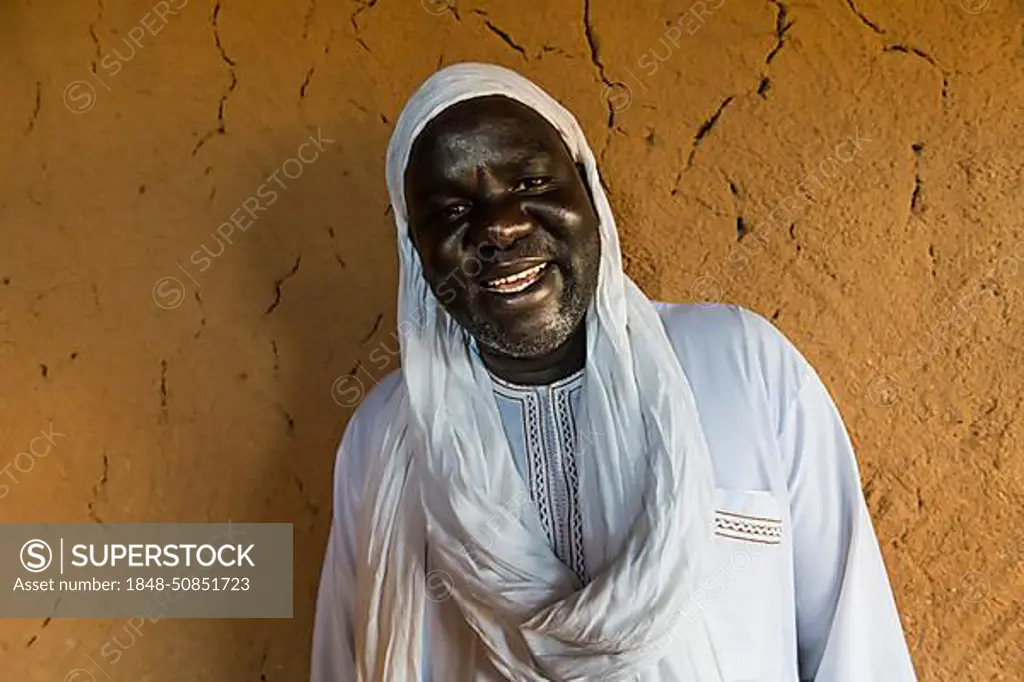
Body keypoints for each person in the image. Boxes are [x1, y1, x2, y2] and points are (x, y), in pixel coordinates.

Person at [310, 62, 916, 681]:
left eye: (531, 183)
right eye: (452, 210)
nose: (501, 226)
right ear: (415, 249)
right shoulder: (382, 438)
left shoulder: (742, 366)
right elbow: (342, 660)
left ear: (588, 190)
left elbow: (855, 645)